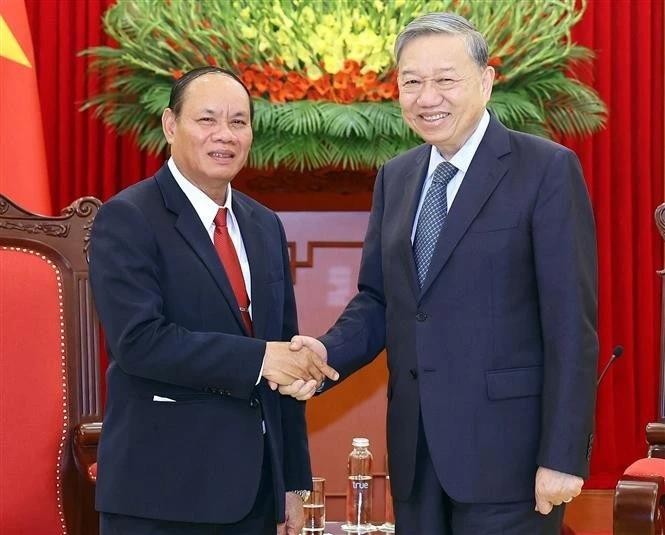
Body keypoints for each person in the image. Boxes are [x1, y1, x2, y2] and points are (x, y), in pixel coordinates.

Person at [287, 12, 598, 534]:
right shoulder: (398, 177)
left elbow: (571, 324)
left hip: (511, 463)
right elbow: (379, 300)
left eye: (445, 80)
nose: (427, 96)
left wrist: (563, 455)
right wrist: (324, 353)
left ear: (486, 80)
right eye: (412, 82)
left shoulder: (545, 169)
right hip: (416, 458)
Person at [89, 66, 338, 535]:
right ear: (170, 125)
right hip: (163, 494)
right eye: (207, 120)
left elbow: (282, 350)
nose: (224, 135)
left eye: (238, 122)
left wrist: (294, 484)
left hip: (256, 497)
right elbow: (139, 341)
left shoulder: (264, 225)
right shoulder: (128, 218)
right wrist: (262, 359)